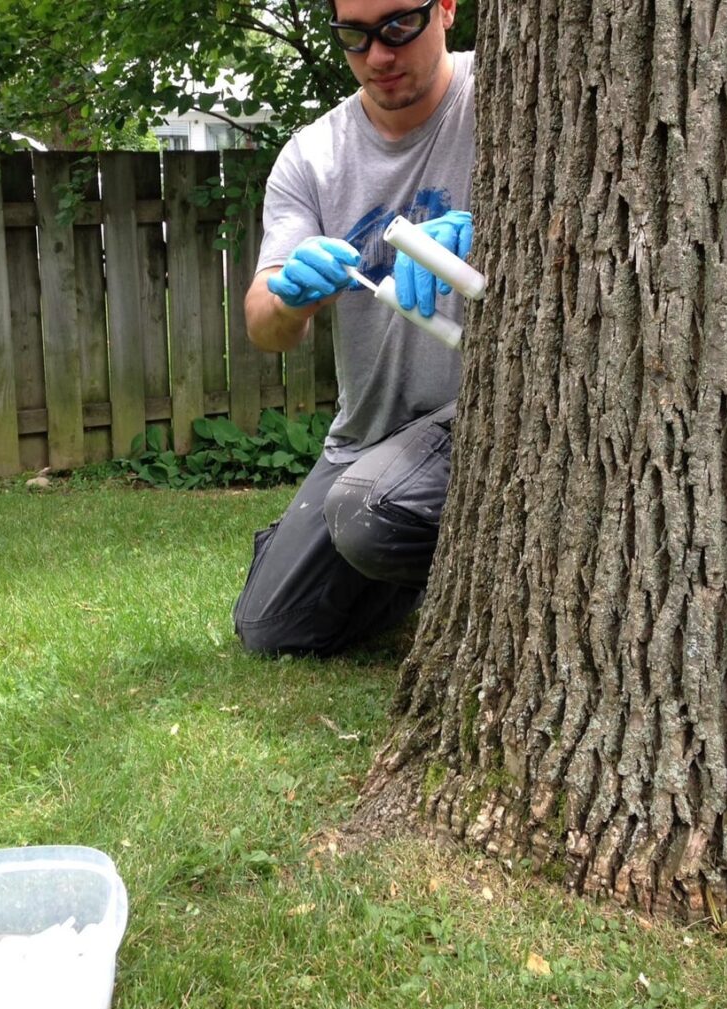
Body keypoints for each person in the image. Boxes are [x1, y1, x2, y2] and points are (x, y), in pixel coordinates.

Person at [233, 0, 475, 656]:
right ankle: (411, 558)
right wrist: (290, 297)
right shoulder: (313, 156)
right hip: (367, 435)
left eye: (398, 26)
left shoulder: (504, 99)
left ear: (446, 8)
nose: (378, 56)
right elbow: (264, 326)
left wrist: (489, 235)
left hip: (485, 414)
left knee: (369, 516)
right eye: (354, 36)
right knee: (271, 629)